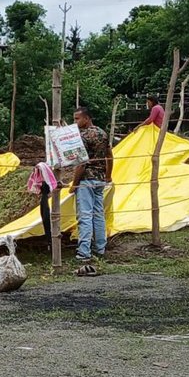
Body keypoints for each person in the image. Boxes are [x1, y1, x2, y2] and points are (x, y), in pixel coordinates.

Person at [71, 107, 113, 274]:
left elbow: (81, 164)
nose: (75, 122)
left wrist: (74, 184)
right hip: (100, 179)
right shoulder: (102, 133)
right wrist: (108, 175)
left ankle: (84, 252)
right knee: (98, 214)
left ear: (86, 118)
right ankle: (100, 248)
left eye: (77, 119)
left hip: (86, 180)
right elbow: (109, 155)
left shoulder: (83, 136)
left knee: (85, 215)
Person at [25, 159, 58, 239]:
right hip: (46, 194)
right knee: (46, 213)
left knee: (46, 214)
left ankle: (49, 234)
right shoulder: (46, 188)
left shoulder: (44, 189)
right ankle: (49, 235)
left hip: (46, 195)